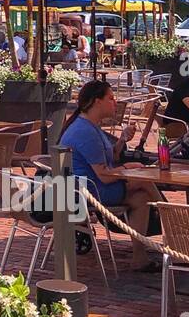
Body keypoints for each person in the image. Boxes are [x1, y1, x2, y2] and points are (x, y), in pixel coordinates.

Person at [60, 79, 162, 271]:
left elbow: (109, 158)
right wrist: (128, 170)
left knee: (140, 198)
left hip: (86, 187)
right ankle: (172, 221)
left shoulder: (89, 126)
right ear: (96, 101)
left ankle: (141, 256)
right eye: (110, 98)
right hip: (90, 191)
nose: (115, 103)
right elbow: (104, 175)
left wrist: (122, 139)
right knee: (144, 183)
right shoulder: (85, 131)